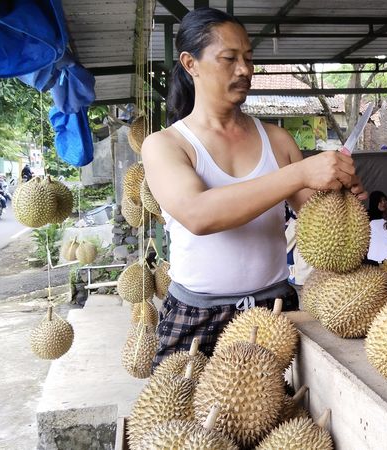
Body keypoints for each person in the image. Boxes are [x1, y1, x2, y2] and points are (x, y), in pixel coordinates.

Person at [140, 8, 365, 367]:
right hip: (197, 317)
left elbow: (318, 219)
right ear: (190, 63)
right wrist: (300, 173)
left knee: (286, 404)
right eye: (229, 58)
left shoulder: (277, 139)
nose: (244, 69)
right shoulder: (166, 144)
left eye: (248, 58)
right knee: (181, 404)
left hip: (275, 310)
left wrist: (343, 195)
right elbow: (199, 214)